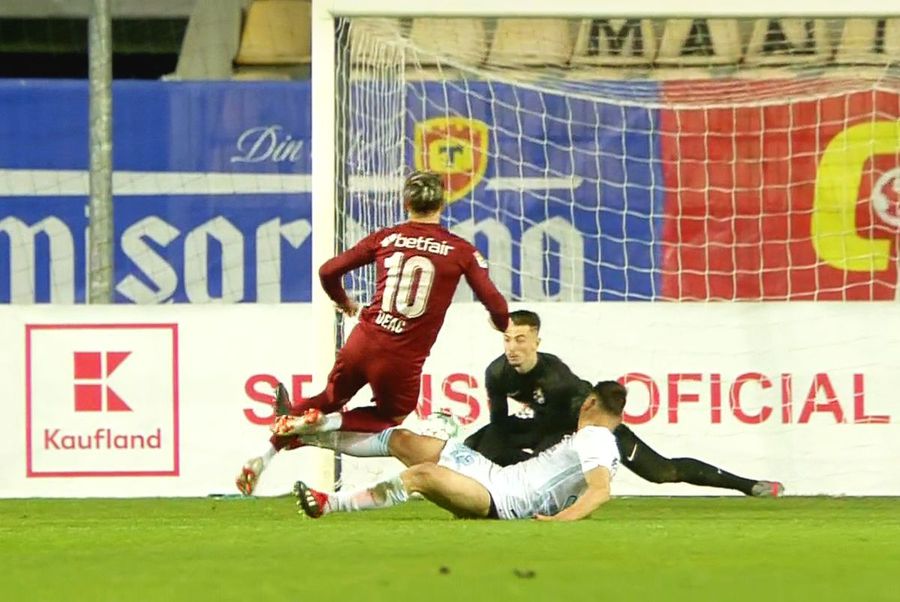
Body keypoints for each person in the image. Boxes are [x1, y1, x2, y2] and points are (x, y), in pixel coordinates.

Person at [235, 170, 509, 495]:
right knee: (390, 415)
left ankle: (262, 457)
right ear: (442, 203)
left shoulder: (386, 238)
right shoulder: (459, 249)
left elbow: (327, 270)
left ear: (406, 202)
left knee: (328, 398)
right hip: (400, 357)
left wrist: (344, 300)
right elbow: (496, 302)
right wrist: (502, 324)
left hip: (363, 340)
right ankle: (325, 422)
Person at [465, 309, 784, 497]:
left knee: (663, 472)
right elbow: (500, 424)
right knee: (479, 441)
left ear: (536, 341)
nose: (513, 348)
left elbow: (585, 423)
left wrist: (539, 455)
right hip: (547, 425)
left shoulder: (557, 378)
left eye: (521, 339)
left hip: (590, 426)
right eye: (507, 339)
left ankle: (750, 485)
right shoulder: (496, 373)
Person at [294, 381, 626, 521]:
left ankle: (330, 504)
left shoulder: (595, 437)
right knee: (403, 440)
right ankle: (303, 437)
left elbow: (600, 491)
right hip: (494, 476)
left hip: (502, 502)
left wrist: (561, 521)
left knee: (421, 476)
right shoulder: (601, 442)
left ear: (590, 402)